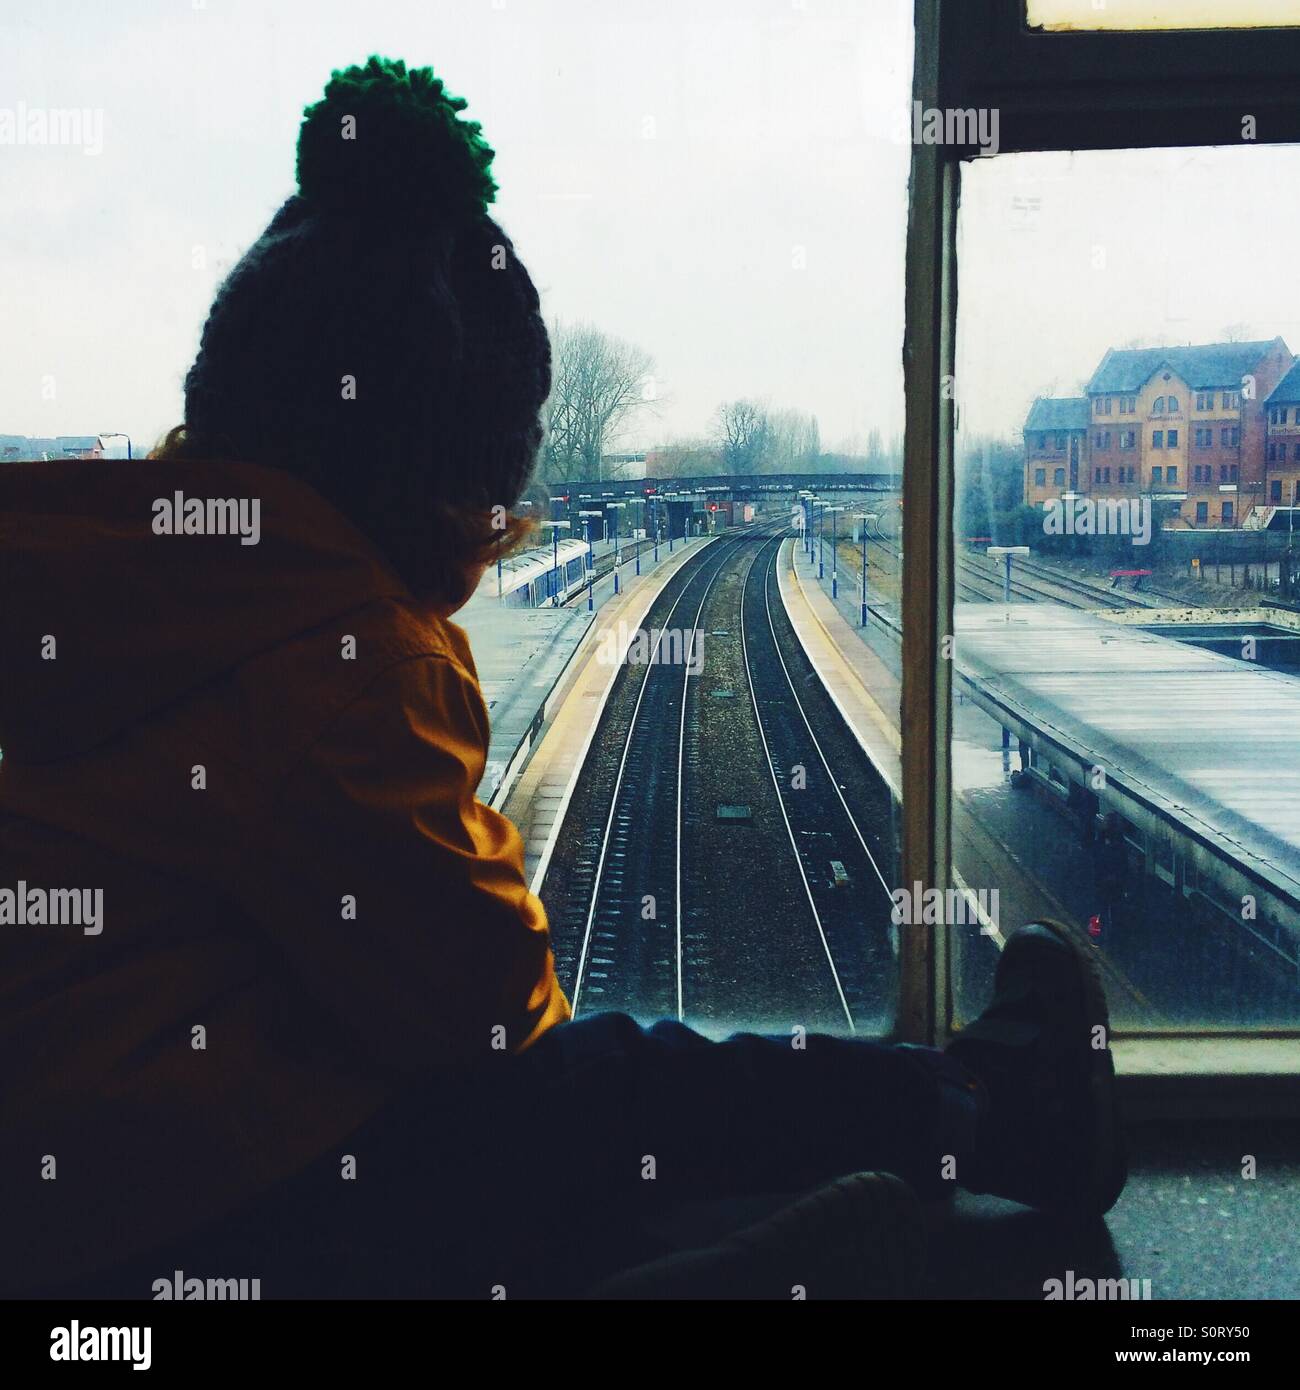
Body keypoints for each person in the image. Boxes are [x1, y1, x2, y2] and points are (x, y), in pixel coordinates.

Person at [0, 57, 1126, 1300]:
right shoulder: (330, 651)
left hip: (70, 1198)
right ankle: (979, 1111)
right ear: (436, 486)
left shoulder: (86, 554)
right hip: (180, 1231)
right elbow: (486, 1008)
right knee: (583, 1091)